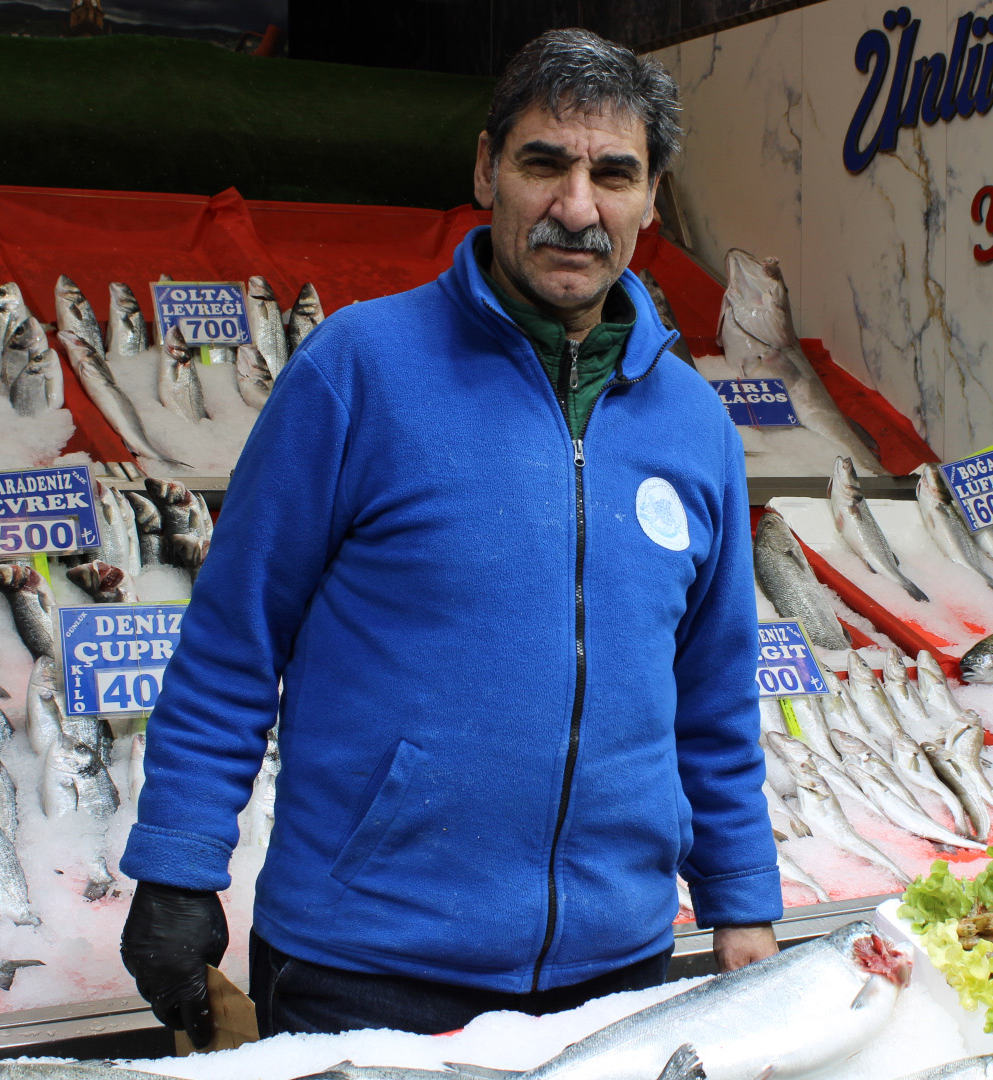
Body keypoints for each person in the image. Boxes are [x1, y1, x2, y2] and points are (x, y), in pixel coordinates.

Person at [117, 28, 783, 1041]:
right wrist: (176, 863)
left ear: (652, 200)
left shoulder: (694, 425)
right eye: (544, 164)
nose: (576, 207)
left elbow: (715, 696)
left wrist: (739, 900)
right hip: (366, 968)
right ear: (485, 169)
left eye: (613, 174)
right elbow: (232, 639)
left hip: (619, 973)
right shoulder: (357, 371)